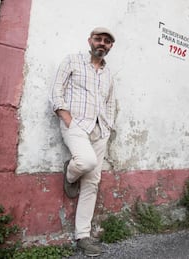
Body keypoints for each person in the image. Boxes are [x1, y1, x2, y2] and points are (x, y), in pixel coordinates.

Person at [50, 27, 116, 256]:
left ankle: (83, 236)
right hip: (76, 124)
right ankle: (70, 172)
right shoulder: (72, 61)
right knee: (85, 162)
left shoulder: (108, 74)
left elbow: (110, 102)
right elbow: (57, 89)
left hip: (100, 129)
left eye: (107, 41)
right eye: (98, 39)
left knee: (92, 182)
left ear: (110, 46)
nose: (102, 43)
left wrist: (108, 126)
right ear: (90, 40)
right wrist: (65, 117)